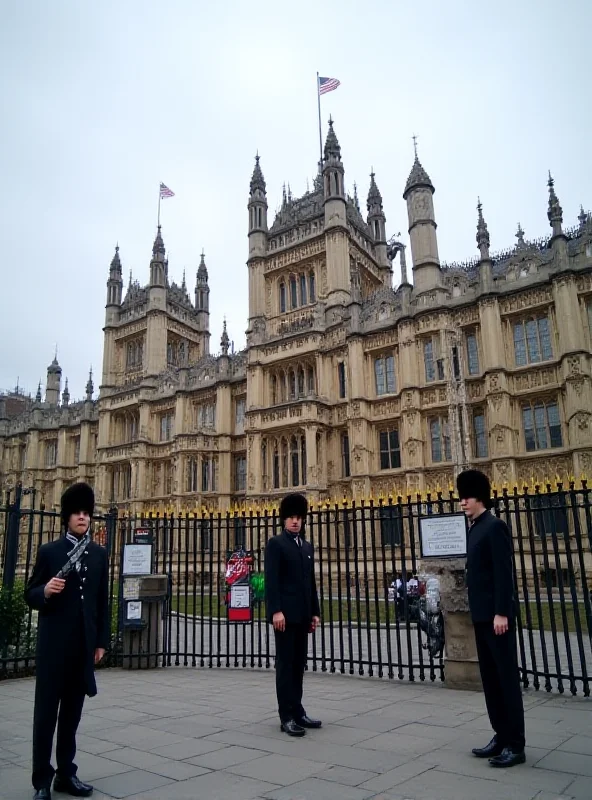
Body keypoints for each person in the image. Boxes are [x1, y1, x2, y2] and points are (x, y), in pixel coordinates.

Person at [25, 482, 109, 799]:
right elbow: (30, 593)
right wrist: (45, 591)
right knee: (46, 715)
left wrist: (100, 641)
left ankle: (65, 774)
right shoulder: (50, 552)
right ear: (67, 518)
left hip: (81, 648)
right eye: (77, 513)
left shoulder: (98, 554)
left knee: (71, 716)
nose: (83, 518)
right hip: (53, 647)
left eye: (86, 512)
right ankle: (42, 781)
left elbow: (101, 602)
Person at [457, 469, 526, 768]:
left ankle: (516, 744)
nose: (463, 502)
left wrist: (501, 611)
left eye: (467, 497)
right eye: (461, 497)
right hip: (482, 616)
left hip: (496, 618)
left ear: (480, 497)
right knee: (491, 680)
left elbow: (502, 573)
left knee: (506, 680)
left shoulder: (494, 526)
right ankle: (500, 735)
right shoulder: (474, 528)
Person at [265, 493, 321, 737]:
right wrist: (275, 611)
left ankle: (298, 710)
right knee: (286, 666)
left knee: (299, 665)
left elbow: (310, 582)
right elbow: (272, 581)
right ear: (284, 520)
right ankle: (285, 715)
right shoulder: (276, 544)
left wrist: (315, 612)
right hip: (284, 617)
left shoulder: (306, 546)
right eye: (291, 517)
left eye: (298, 517)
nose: (295, 521)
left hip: (302, 615)